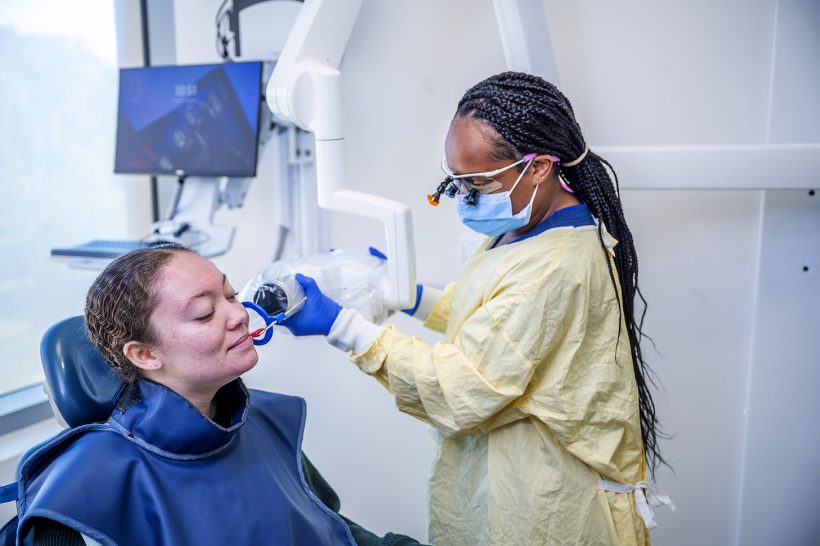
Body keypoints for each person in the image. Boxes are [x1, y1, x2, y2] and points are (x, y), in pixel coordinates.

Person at [280, 72, 673, 545]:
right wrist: (408, 296)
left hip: (549, 503)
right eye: (455, 181)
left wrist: (344, 328)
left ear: (540, 167)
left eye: (479, 182)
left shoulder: (555, 266)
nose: (465, 196)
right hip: (512, 479)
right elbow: (492, 320)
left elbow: (462, 385)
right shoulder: (529, 224)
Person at [5, 244, 423, 546]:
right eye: (205, 313)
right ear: (145, 354)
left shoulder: (264, 421)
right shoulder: (74, 497)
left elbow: (334, 529)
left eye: (230, 295)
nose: (239, 314)